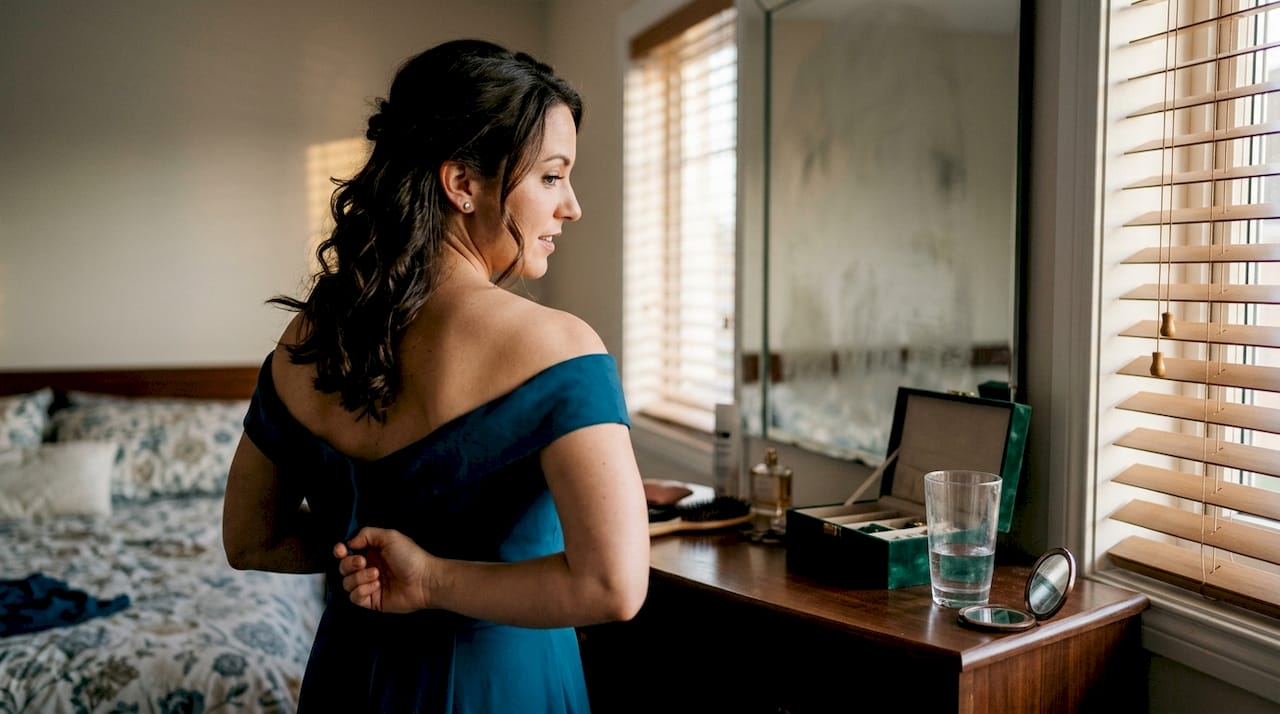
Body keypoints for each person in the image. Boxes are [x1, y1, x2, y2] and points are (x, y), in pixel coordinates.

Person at [221, 38, 650, 712]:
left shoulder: (309, 337)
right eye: (550, 176)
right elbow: (613, 586)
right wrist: (431, 579)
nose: (571, 206)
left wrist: (366, 557)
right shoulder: (559, 349)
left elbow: (251, 540)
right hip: (500, 684)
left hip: (350, 677)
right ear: (462, 184)